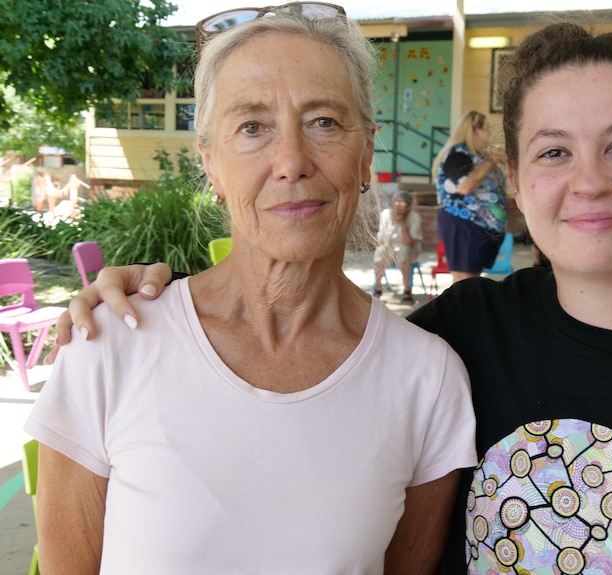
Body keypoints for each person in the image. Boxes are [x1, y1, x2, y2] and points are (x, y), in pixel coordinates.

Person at [52, 20, 612, 575]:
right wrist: (137, 291)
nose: (590, 180)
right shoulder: (462, 336)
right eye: (554, 150)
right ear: (517, 180)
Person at [25, 5, 476, 574]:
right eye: (252, 127)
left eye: (324, 122)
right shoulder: (112, 342)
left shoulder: (427, 379)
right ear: (211, 164)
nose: (291, 161)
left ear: (366, 154)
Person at [432, 110, 508, 283]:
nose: (489, 134)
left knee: (472, 281)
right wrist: (489, 164)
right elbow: (464, 186)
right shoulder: (458, 154)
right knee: (464, 282)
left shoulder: (478, 156)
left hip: (480, 227)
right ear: (474, 130)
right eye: (486, 129)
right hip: (464, 224)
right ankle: (460, 311)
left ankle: (467, 310)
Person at [373, 190, 422, 302]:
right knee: (379, 252)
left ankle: (406, 289)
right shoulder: (386, 214)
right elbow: (380, 236)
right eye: (396, 202)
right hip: (389, 246)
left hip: (410, 249)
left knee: (403, 251)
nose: (398, 206)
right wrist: (381, 239)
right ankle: (378, 288)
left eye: (402, 203)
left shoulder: (415, 217)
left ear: (408, 206)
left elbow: (410, 243)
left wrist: (402, 223)